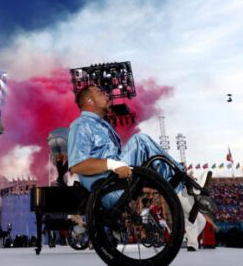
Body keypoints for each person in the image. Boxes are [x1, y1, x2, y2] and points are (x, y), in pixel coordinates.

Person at [67, 85, 205, 252]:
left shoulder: (104, 126)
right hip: (107, 189)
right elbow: (77, 165)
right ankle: (187, 186)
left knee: (153, 160)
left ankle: (188, 208)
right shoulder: (80, 125)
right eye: (99, 93)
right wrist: (114, 165)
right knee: (141, 141)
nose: (106, 95)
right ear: (89, 101)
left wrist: (118, 164)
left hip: (118, 181)